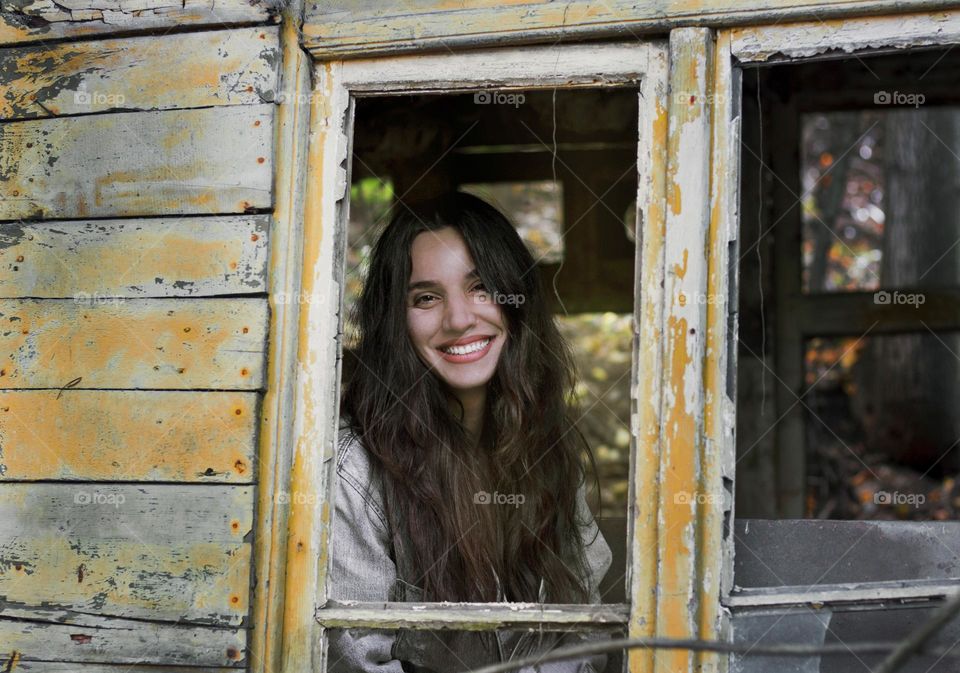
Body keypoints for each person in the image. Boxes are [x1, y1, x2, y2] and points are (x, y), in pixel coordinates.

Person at [329, 191, 612, 672]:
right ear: (396, 321)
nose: (459, 319)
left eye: (481, 288)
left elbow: (584, 641)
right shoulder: (355, 470)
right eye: (426, 297)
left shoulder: (547, 451)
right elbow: (357, 663)